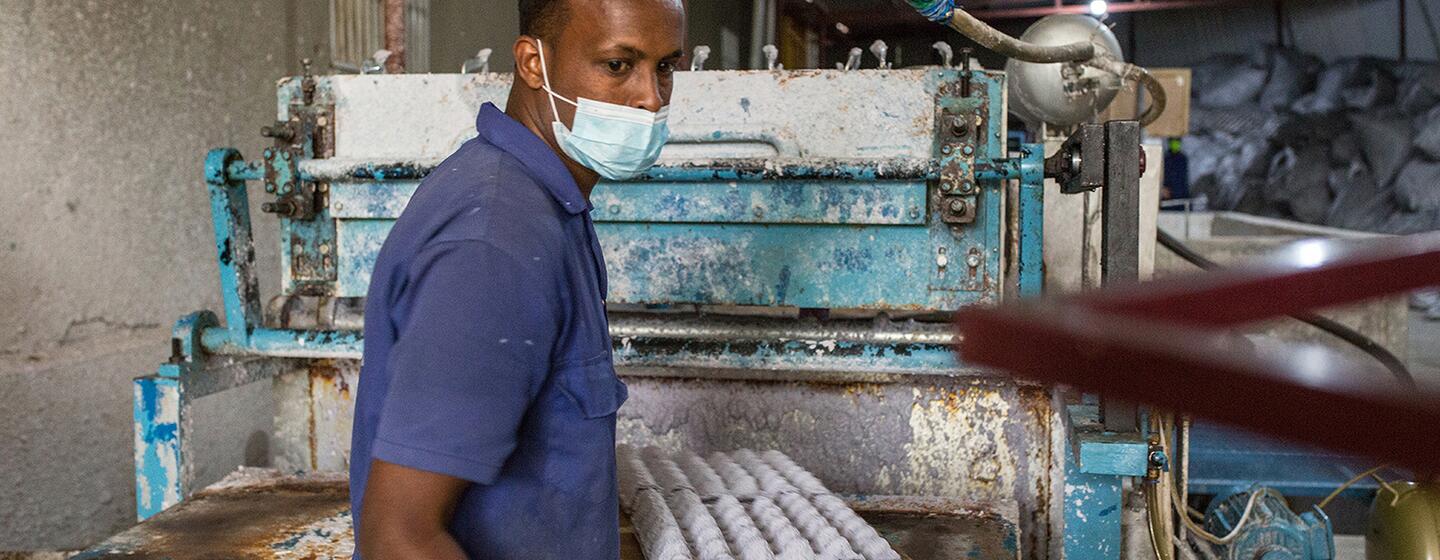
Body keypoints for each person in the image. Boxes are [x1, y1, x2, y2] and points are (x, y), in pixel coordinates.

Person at [349, 0, 685, 558]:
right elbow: (399, 537)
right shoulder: (496, 243)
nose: (650, 97)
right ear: (534, 63)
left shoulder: (547, 206)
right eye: (618, 65)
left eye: (666, 67)